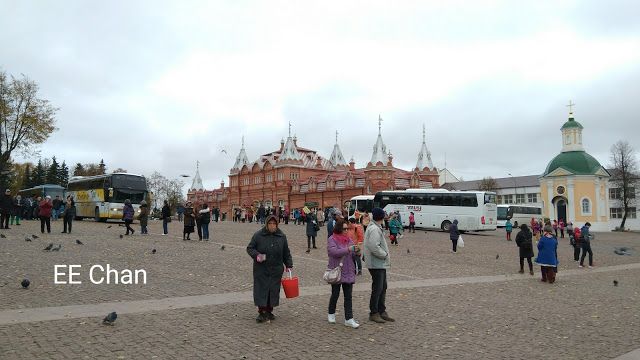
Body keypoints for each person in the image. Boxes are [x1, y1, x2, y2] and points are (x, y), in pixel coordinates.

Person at [247, 215, 293, 323]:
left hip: (276, 269)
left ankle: (269, 310)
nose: (272, 226)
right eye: (270, 224)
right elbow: (250, 248)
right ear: (267, 224)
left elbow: (286, 252)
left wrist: (289, 264)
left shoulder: (281, 236)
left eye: (274, 224)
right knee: (261, 289)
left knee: (273, 290)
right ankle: (261, 311)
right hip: (261, 269)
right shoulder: (258, 235)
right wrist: (258, 255)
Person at [327, 218, 361, 328]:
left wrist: (357, 252)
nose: (346, 231)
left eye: (347, 229)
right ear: (339, 228)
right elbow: (333, 252)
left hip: (348, 271)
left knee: (348, 296)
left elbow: (352, 255)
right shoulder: (332, 239)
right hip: (337, 271)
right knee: (335, 294)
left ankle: (349, 318)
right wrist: (348, 249)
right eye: (344, 229)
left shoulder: (349, 239)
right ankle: (331, 313)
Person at [364, 208, 394, 324]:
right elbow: (373, 246)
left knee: (383, 287)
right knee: (378, 288)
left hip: (379, 263)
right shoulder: (374, 229)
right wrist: (384, 254)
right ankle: (374, 312)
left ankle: (382, 310)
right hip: (376, 263)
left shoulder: (375, 227)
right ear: (381, 217)